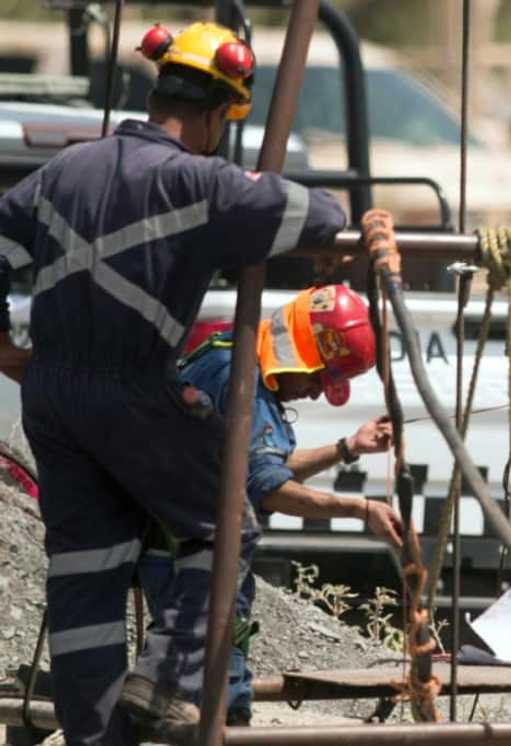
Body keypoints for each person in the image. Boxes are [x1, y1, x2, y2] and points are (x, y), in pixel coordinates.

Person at [0, 21, 387, 744]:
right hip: (133, 388)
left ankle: (93, 738)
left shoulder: (62, 173)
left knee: (86, 571)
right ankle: (164, 671)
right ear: (216, 113)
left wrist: (1, 344)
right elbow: (318, 215)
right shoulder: (200, 181)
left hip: (51, 396)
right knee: (227, 518)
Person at [137, 284, 404, 726]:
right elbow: (267, 487)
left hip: (189, 548)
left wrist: (347, 447)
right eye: (319, 379)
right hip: (190, 556)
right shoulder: (238, 374)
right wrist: (361, 509)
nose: (318, 393)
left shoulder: (240, 359)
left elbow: (261, 466)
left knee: (215, 693)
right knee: (213, 701)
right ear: (300, 353)